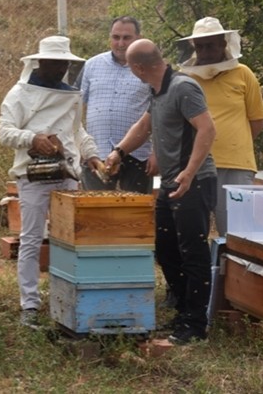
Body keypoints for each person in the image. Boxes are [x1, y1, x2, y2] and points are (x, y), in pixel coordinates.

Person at [105, 39, 217, 345]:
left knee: (193, 253)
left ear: (139, 67)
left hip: (192, 182)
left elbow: (207, 129)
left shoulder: (183, 87)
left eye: (131, 68)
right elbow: (143, 128)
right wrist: (118, 152)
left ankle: (195, 326)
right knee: (166, 249)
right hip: (170, 184)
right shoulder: (157, 91)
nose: (131, 73)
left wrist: (189, 172)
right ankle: (182, 311)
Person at [0, 35, 100, 330]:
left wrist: (91, 154)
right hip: (33, 175)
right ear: (40, 61)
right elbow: (4, 132)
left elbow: (75, 130)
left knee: (67, 238)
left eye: (63, 64)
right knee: (30, 239)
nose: (59, 69)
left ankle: (64, 297)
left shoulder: (69, 93)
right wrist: (33, 138)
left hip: (67, 174)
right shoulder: (19, 93)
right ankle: (29, 304)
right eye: (54, 63)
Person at [177, 17, 263, 236]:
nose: (205, 51)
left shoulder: (243, 73)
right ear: (193, 47)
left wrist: (233, 143)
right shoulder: (183, 78)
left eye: (211, 45)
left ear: (224, 44)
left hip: (236, 165)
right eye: (200, 46)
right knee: (194, 232)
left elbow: (257, 120)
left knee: (237, 234)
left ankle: (231, 271)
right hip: (193, 164)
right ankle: (203, 271)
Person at [75, 16, 156, 193]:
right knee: (96, 213)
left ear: (138, 38)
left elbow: (161, 112)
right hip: (96, 154)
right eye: (116, 37)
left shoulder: (150, 69)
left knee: (136, 213)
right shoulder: (91, 65)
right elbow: (74, 109)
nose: (120, 43)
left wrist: (156, 153)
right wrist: (80, 146)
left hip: (138, 154)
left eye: (127, 38)